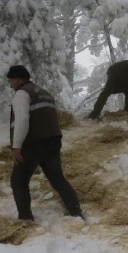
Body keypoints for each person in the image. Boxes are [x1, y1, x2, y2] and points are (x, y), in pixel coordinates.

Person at [7, 65, 83, 221]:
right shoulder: (44, 93)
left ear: (17, 79)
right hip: (53, 142)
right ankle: (75, 211)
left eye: (10, 80)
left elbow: (22, 120)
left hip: (33, 144)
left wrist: (16, 146)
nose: (9, 84)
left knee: (18, 181)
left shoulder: (21, 94)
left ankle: (25, 219)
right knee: (57, 179)